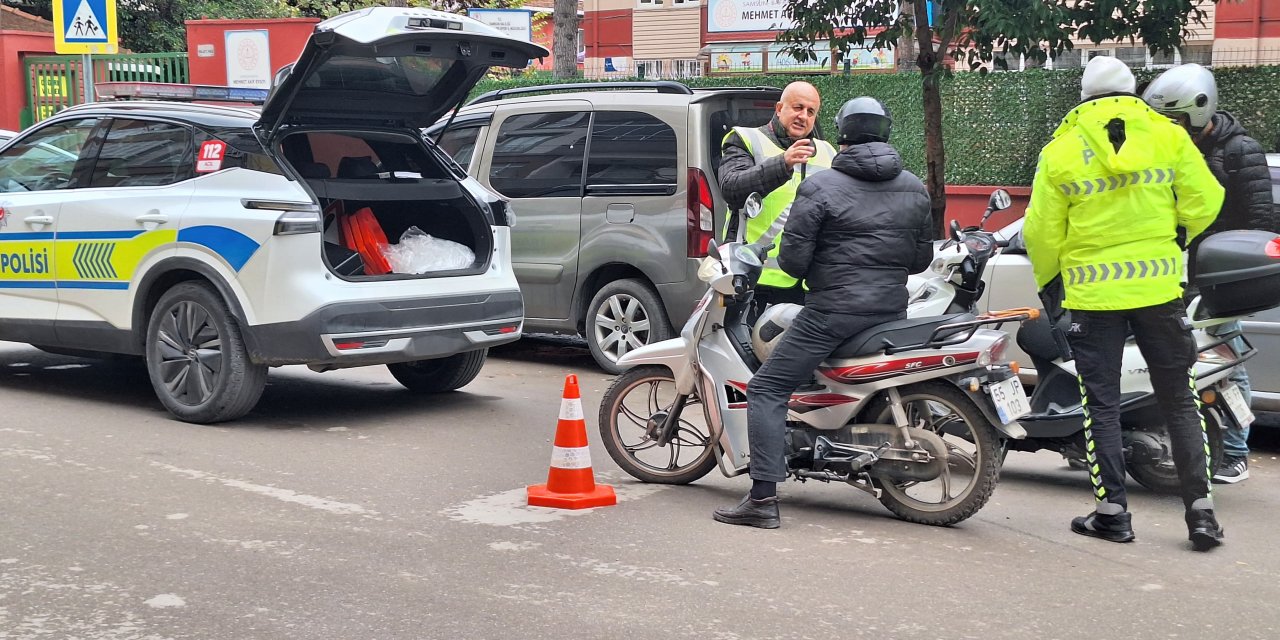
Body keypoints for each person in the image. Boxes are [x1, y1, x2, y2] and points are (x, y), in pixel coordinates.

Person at [1023, 56, 1226, 551]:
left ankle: (1113, 513)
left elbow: (1040, 232)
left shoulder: (1062, 150)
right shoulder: (1169, 136)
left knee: (1103, 404)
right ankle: (1201, 515)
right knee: (1179, 399)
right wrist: (1173, 237)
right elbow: (1207, 199)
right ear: (1133, 90)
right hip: (1159, 292)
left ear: (1084, 95)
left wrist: (1052, 282)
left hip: (1093, 298)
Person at [712, 97, 933, 529]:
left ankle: (761, 501)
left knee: (766, 388)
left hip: (833, 310)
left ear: (843, 133)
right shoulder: (913, 186)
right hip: (891, 309)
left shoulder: (822, 185)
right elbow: (921, 259)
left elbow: (793, 262)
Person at [1143, 63, 1275, 484]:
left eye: (1177, 119)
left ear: (1201, 111)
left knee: (1226, 362)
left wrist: (1226, 260)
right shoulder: (1169, 149)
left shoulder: (1240, 151)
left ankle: (1235, 452)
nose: (1170, 128)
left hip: (1220, 275)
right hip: (1173, 272)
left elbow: (1259, 221)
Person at [718, 81, 837, 308]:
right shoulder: (745, 140)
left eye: (811, 112)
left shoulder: (827, 152)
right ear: (779, 108)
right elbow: (731, 188)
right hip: (754, 277)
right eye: (797, 107)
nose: (803, 116)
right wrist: (783, 164)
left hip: (808, 282)